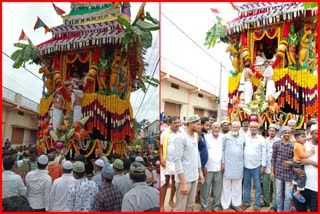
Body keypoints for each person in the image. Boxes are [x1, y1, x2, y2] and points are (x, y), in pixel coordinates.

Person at [173, 115, 204, 211]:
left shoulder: (194, 137)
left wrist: (200, 173)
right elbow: (177, 160)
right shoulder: (180, 137)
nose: (200, 127)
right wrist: (183, 183)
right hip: (184, 180)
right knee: (180, 208)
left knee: (190, 206)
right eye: (198, 124)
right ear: (190, 124)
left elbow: (197, 155)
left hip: (194, 178)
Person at [242, 121, 267, 211]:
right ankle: (247, 202)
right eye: (251, 127)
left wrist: (263, 166)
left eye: (255, 127)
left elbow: (264, 153)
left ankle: (257, 204)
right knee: (246, 185)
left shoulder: (261, 139)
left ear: (257, 128)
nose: (253, 128)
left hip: (257, 166)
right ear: (249, 127)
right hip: (246, 165)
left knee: (257, 186)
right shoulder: (245, 137)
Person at [293, 124, 318, 211]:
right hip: (301, 187)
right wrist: (295, 169)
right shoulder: (303, 144)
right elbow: (295, 159)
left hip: (315, 189)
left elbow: (307, 161)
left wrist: (310, 162)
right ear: (311, 133)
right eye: (316, 133)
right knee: (300, 210)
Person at [221, 121, 245, 212]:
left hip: (239, 165)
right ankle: (225, 205)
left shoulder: (243, 137)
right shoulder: (226, 137)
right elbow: (222, 150)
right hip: (227, 165)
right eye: (233, 127)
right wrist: (222, 163)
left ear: (239, 128)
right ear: (231, 128)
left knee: (237, 186)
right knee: (226, 186)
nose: (235, 128)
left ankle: (236, 204)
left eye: (237, 127)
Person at [200, 122, 223, 211]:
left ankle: (216, 206)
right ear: (211, 128)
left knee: (217, 189)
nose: (216, 129)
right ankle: (204, 207)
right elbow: (202, 152)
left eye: (218, 127)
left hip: (219, 168)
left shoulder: (222, 138)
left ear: (220, 129)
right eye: (215, 127)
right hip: (208, 168)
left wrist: (223, 164)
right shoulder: (205, 138)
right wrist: (203, 165)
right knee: (205, 189)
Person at [271, 126, 294, 211]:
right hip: (278, 173)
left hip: (289, 173)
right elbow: (273, 158)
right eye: (285, 132)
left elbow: (295, 160)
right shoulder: (276, 144)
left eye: (288, 132)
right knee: (278, 194)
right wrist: (272, 171)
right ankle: (279, 210)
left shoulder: (293, 146)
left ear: (291, 134)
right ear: (282, 133)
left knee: (288, 196)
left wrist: (291, 163)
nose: (287, 134)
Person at [160, 116, 181, 210]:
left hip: (178, 162)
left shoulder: (182, 133)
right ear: (170, 124)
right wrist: (161, 159)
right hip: (167, 161)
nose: (177, 124)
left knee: (176, 182)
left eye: (178, 122)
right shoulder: (164, 134)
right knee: (165, 182)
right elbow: (160, 147)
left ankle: (171, 200)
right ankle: (161, 205)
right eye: (175, 123)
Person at [289, 130, 315, 203]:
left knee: (297, 176)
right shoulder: (298, 145)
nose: (305, 138)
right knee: (302, 176)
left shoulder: (299, 143)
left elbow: (308, 138)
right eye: (302, 137)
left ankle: (291, 187)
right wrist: (311, 153)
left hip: (296, 162)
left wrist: (309, 137)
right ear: (297, 139)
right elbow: (302, 155)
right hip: (298, 163)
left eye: (305, 136)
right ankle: (298, 192)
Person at [263, 124, 280, 211]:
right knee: (265, 185)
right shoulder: (265, 140)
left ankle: (274, 205)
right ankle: (266, 201)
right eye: (270, 131)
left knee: (275, 187)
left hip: (276, 167)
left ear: (276, 132)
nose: (271, 132)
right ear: (268, 131)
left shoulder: (279, 140)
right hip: (266, 166)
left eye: (273, 131)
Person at [195, 117, 209, 204]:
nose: (208, 127)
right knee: (194, 186)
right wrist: (199, 168)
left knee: (199, 184)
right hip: (197, 167)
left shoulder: (202, 135)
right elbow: (195, 152)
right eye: (207, 125)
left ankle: (197, 198)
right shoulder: (197, 136)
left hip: (202, 166)